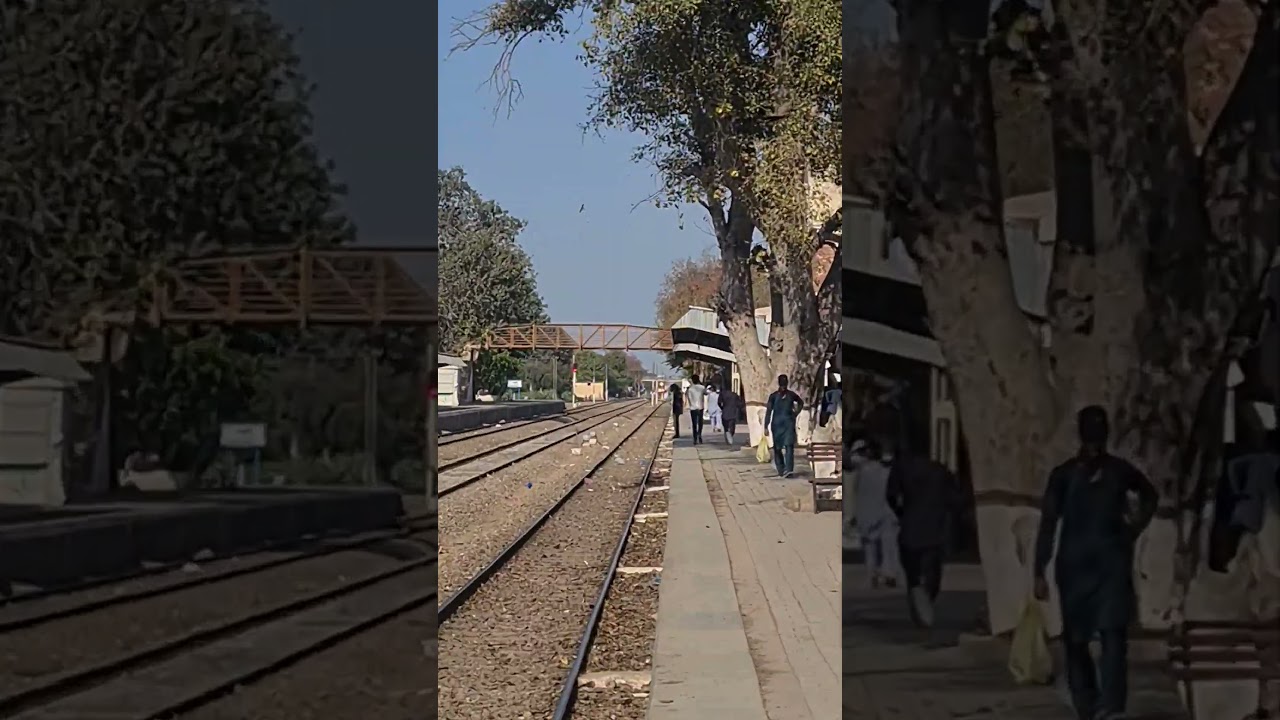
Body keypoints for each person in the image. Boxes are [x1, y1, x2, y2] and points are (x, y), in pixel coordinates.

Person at [1033, 405, 1158, 720]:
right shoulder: (1064, 475)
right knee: (1076, 638)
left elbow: (1150, 496)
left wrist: (1133, 529)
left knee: (1112, 633)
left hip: (1109, 564)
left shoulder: (1119, 470)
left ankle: (1111, 704)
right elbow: (1048, 522)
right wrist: (1039, 569)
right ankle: (1087, 702)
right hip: (1076, 567)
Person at [886, 444, 963, 628]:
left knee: (913, 575)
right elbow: (955, 500)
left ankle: (919, 606)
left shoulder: (902, 469)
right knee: (932, 575)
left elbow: (890, 495)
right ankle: (924, 605)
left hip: (910, 529)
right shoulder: (941, 471)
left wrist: (901, 513)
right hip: (934, 531)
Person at [850, 438, 900, 588]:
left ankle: (873, 574)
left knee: (870, 548)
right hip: (886, 513)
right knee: (889, 546)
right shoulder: (889, 472)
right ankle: (889, 573)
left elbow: (856, 493)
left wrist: (855, 514)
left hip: (866, 514)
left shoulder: (862, 472)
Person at [763, 374, 803, 477]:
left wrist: (795, 413)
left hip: (788, 424)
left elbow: (800, 402)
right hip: (777, 425)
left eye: (784, 383)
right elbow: (769, 411)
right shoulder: (774, 396)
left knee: (789, 446)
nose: (783, 385)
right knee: (777, 448)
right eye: (782, 383)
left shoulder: (791, 395)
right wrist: (766, 426)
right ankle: (781, 469)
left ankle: (789, 469)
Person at [685, 374, 708, 444]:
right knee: (700, 423)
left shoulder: (690, 389)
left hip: (693, 408)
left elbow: (687, 396)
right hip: (700, 407)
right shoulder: (702, 387)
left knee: (694, 424)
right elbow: (706, 393)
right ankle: (699, 435)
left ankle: (695, 438)